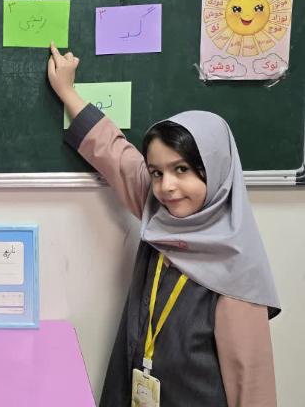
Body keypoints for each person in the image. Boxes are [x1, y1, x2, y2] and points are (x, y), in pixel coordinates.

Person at [46, 43, 280, 406]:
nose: (167, 186)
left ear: (215, 171)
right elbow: (115, 153)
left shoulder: (238, 274)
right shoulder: (160, 210)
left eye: (182, 169)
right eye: (156, 172)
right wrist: (67, 91)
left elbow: (251, 386)